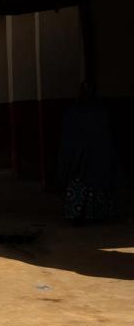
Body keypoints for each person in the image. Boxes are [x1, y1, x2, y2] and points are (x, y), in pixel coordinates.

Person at [59, 82, 119, 225]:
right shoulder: (100, 112)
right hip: (95, 156)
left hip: (82, 157)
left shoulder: (74, 112)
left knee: (82, 184)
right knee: (94, 183)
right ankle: (95, 214)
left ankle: (78, 214)